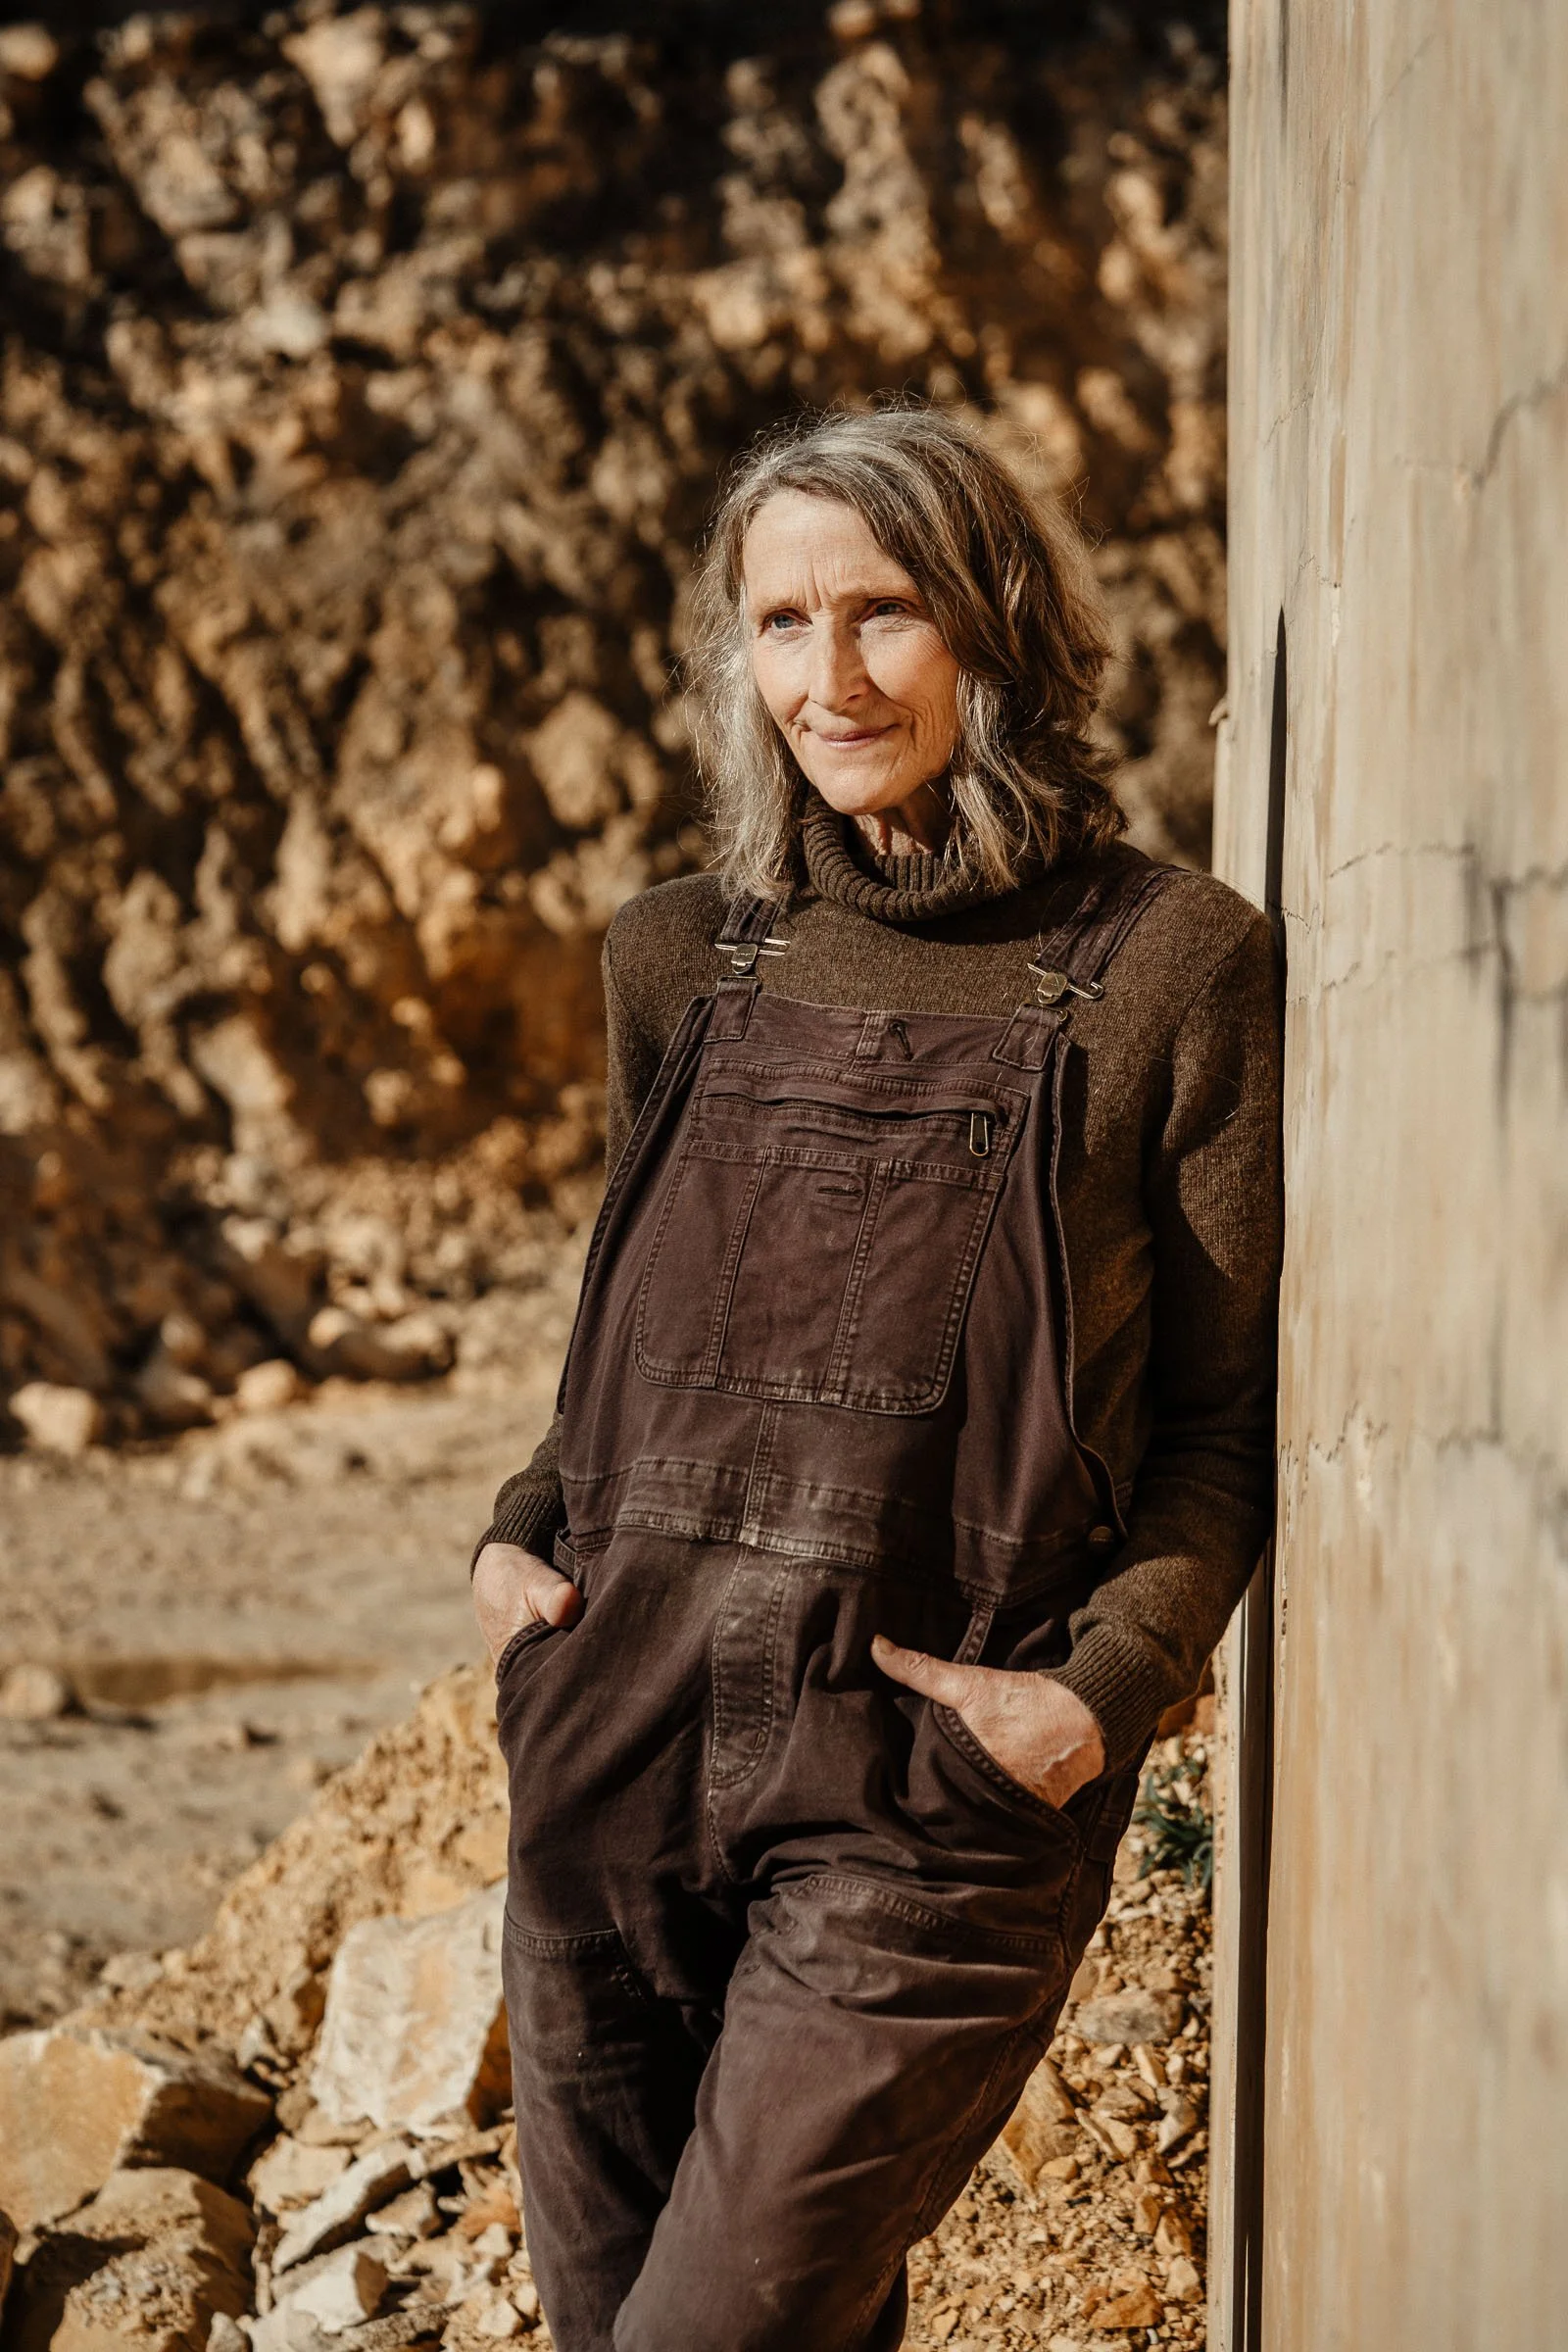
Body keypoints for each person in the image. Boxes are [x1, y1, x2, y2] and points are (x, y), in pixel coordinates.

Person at [470, 406, 1282, 2352]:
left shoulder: (1173, 968)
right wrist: (520, 1545)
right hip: (612, 1743)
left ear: (995, 622)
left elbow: (1219, 1427)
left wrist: (1091, 1698)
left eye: (882, 611)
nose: (824, 679)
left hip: (918, 1804)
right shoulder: (675, 956)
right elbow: (645, 1344)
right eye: (777, 623)